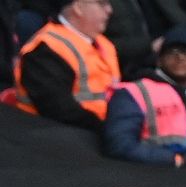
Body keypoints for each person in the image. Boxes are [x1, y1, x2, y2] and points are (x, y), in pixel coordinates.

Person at [104, 25, 186, 169]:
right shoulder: (135, 91)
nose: (180, 56)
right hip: (157, 173)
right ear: (159, 60)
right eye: (172, 51)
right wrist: (176, 160)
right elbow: (119, 145)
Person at [14, 0, 120, 132]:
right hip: (55, 138)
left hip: (105, 132)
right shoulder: (46, 49)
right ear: (79, 7)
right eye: (102, 3)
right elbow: (60, 110)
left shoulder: (104, 44)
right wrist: (112, 129)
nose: (110, 10)